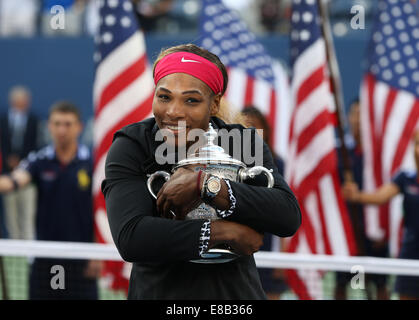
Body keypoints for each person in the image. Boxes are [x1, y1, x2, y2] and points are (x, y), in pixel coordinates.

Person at [101, 43, 302, 300]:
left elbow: (287, 216)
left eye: (191, 100)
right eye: (164, 96)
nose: (173, 111)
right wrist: (224, 232)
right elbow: (132, 237)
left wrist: (207, 185)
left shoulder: (240, 141)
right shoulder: (134, 144)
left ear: (214, 104)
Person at [0, 101, 102, 299]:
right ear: (49, 126)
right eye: (57, 124)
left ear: (79, 127)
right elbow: (13, 181)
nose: (62, 130)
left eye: (67, 124)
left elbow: (101, 209)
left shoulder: (92, 163)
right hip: (45, 257)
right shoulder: (39, 160)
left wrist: (97, 253)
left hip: (81, 257)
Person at [343, 129, 419, 300]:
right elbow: (380, 197)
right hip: (410, 252)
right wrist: (357, 195)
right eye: (417, 144)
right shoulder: (405, 177)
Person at [336, 99, 389, 300]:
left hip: (374, 236)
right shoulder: (341, 155)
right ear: (348, 117)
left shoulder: (378, 157)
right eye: (354, 114)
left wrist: (381, 227)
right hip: (348, 234)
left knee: (378, 284)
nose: (358, 120)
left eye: (362, 114)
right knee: (344, 284)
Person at [241, 105, 288, 299]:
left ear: (265, 131)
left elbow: (286, 211)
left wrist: (282, 259)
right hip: (241, 244)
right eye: (246, 129)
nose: (251, 134)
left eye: (255, 129)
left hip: (269, 243)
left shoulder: (278, 164)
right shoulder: (230, 162)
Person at [0, 86, 39, 240]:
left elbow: (36, 145)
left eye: (24, 101)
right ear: (13, 102)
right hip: (6, 174)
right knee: (11, 217)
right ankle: (15, 254)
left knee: (28, 215)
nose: (22, 103)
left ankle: (29, 253)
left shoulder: (34, 120)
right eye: (19, 101)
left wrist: (22, 162)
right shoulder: (2, 120)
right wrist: (9, 160)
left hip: (28, 175)